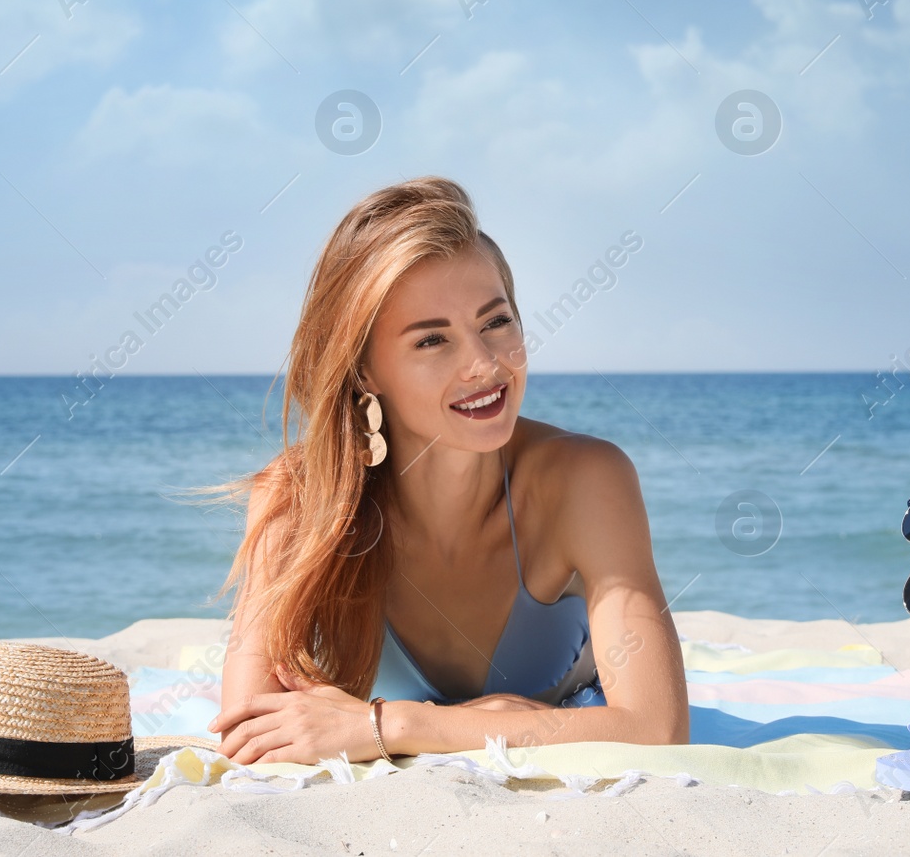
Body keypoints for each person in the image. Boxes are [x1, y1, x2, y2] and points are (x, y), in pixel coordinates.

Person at [204, 176, 688, 765]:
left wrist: (391, 725)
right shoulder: (299, 498)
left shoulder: (586, 480)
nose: (484, 365)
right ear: (364, 372)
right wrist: (499, 720)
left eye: (496, 322)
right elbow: (249, 728)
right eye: (433, 340)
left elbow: (659, 729)